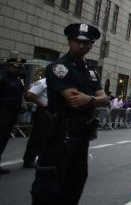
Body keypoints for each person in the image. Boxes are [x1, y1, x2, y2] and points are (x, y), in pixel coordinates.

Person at [31, 23, 108, 205]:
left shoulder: (90, 72)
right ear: (69, 41)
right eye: (77, 41)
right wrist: (94, 99)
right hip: (60, 134)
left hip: (81, 135)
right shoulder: (59, 67)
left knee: (76, 181)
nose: (81, 46)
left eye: (86, 42)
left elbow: (104, 98)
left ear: (91, 45)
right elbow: (74, 100)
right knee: (50, 186)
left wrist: (90, 99)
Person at [0, 52, 26, 174]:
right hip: (2, 113)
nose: (18, 69)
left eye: (19, 67)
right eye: (16, 67)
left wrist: (22, 102)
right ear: (8, 65)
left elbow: (20, 93)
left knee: (3, 139)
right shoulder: (3, 76)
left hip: (11, 114)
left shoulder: (17, 79)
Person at [23, 77, 48, 168]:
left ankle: (41, 158)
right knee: (37, 136)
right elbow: (29, 95)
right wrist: (42, 105)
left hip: (51, 112)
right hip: (43, 111)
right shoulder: (43, 82)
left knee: (46, 137)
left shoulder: (55, 82)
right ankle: (29, 160)